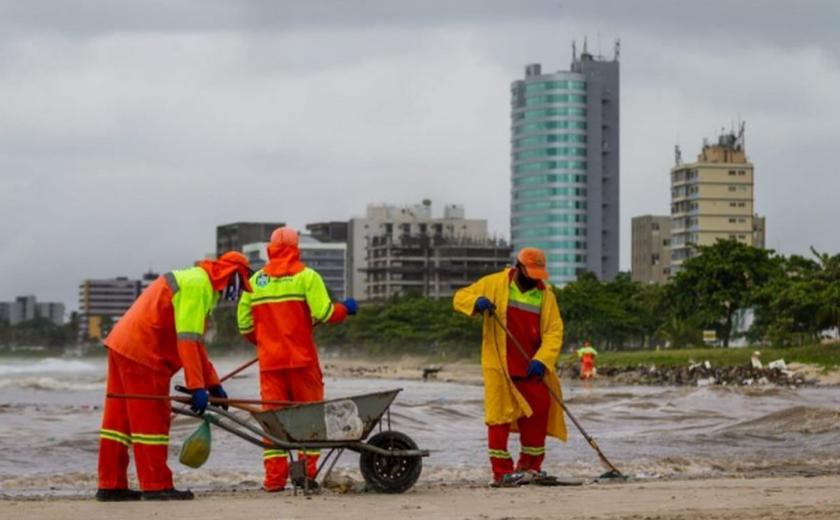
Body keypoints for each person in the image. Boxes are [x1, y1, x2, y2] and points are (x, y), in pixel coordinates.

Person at [97, 252, 253, 502]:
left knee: (119, 422)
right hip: (145, 354)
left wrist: (212, 384)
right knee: (152, 422)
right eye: (240, 285)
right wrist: (196, 387)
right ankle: (156, 485)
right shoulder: (199, 286)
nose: (237, 294)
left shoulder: (197, 282)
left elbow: (196, 344)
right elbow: (188, 341)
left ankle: (111, 484)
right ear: (231, 275)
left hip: (123, 345)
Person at [237, 227, 358, 492]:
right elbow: (324, 312)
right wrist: (345, 309)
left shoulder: (255, 281)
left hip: (270, 365)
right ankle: (305, 476)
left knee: (274, 423)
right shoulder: (307, 277)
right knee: (310, 420)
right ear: (296, 248)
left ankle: (273, 481)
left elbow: (244, 324)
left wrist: (264, 344)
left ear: (270, 248)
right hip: (302, 362)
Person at [453, 247, 567, 487]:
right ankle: (501, 473)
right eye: (531, 272)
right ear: (519, 267)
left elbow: (554, 331)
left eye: (539, 273)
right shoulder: (494, 283)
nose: (535, 277)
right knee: (498, 418)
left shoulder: (546, 295)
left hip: (532, 367)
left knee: (538, 413)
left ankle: (530, 468)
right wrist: (477, 301)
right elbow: (460, 296)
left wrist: (542, 359)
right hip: (500, 366)